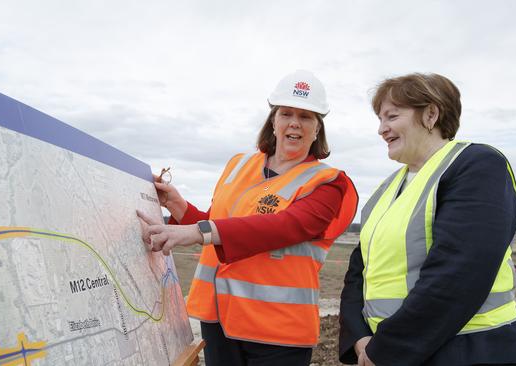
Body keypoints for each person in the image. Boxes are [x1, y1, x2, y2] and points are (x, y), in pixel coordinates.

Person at [137, 70, 359, 366]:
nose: (295, 122)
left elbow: (287, 227)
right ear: (274, 122)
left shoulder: (327, 182)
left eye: (306, 117)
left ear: (318, 129)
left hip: (278, 330)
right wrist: (177, 205)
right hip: (219, 320)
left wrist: (198, 230)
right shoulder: (238, 165)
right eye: (286, 113)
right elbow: (218, 222)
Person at [338, 73, 516, 366]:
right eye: (379, 119)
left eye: (391, 116)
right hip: (387, 351)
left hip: (468, 350)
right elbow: (359, 269)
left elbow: (460, 272)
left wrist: (388, 349)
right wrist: (359, 338)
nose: (382, 129)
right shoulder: (387, 189)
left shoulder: (477, 165)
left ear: (431, 114)